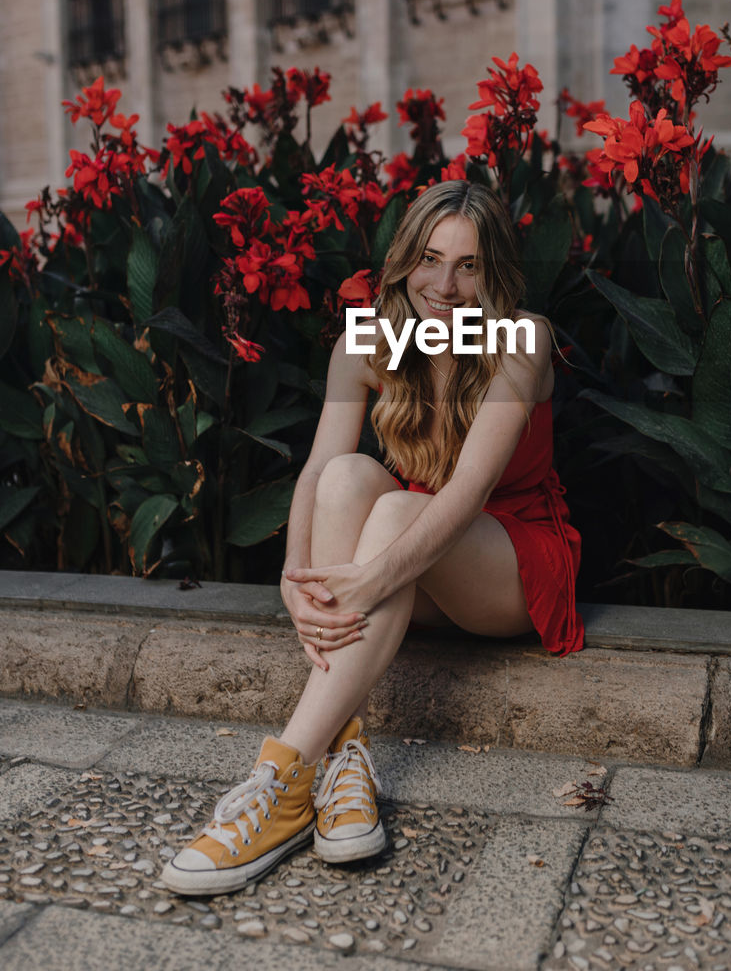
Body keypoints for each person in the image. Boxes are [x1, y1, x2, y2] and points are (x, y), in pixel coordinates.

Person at [161, 180, 583, 897]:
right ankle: (343, 760)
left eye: (469, 265)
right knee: (350, 478)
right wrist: (296, 575)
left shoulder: (523, 339)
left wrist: (370, 575)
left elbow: (468, 492)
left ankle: (279, 781)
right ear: (402, 262)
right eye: (429, 258)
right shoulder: (366, 340)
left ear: (495, 274)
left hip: (510, 561)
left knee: (394, 514)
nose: (444, 285)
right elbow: (321, 467)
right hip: (415, 560)